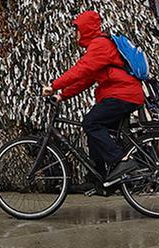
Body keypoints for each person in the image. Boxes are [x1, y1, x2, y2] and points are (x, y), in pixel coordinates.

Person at [44, 10, 144, 188]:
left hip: (123, 94)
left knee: (91, 123)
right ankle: (100, 180)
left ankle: (121, 161)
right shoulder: (98, 47)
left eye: (77, 29)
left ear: (86, 28)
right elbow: (86, 79)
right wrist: (62, 95)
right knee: (95, 133)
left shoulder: (100, 45)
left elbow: (81, 70)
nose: (75, 34)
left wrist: (54, 85)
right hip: (121, 94)